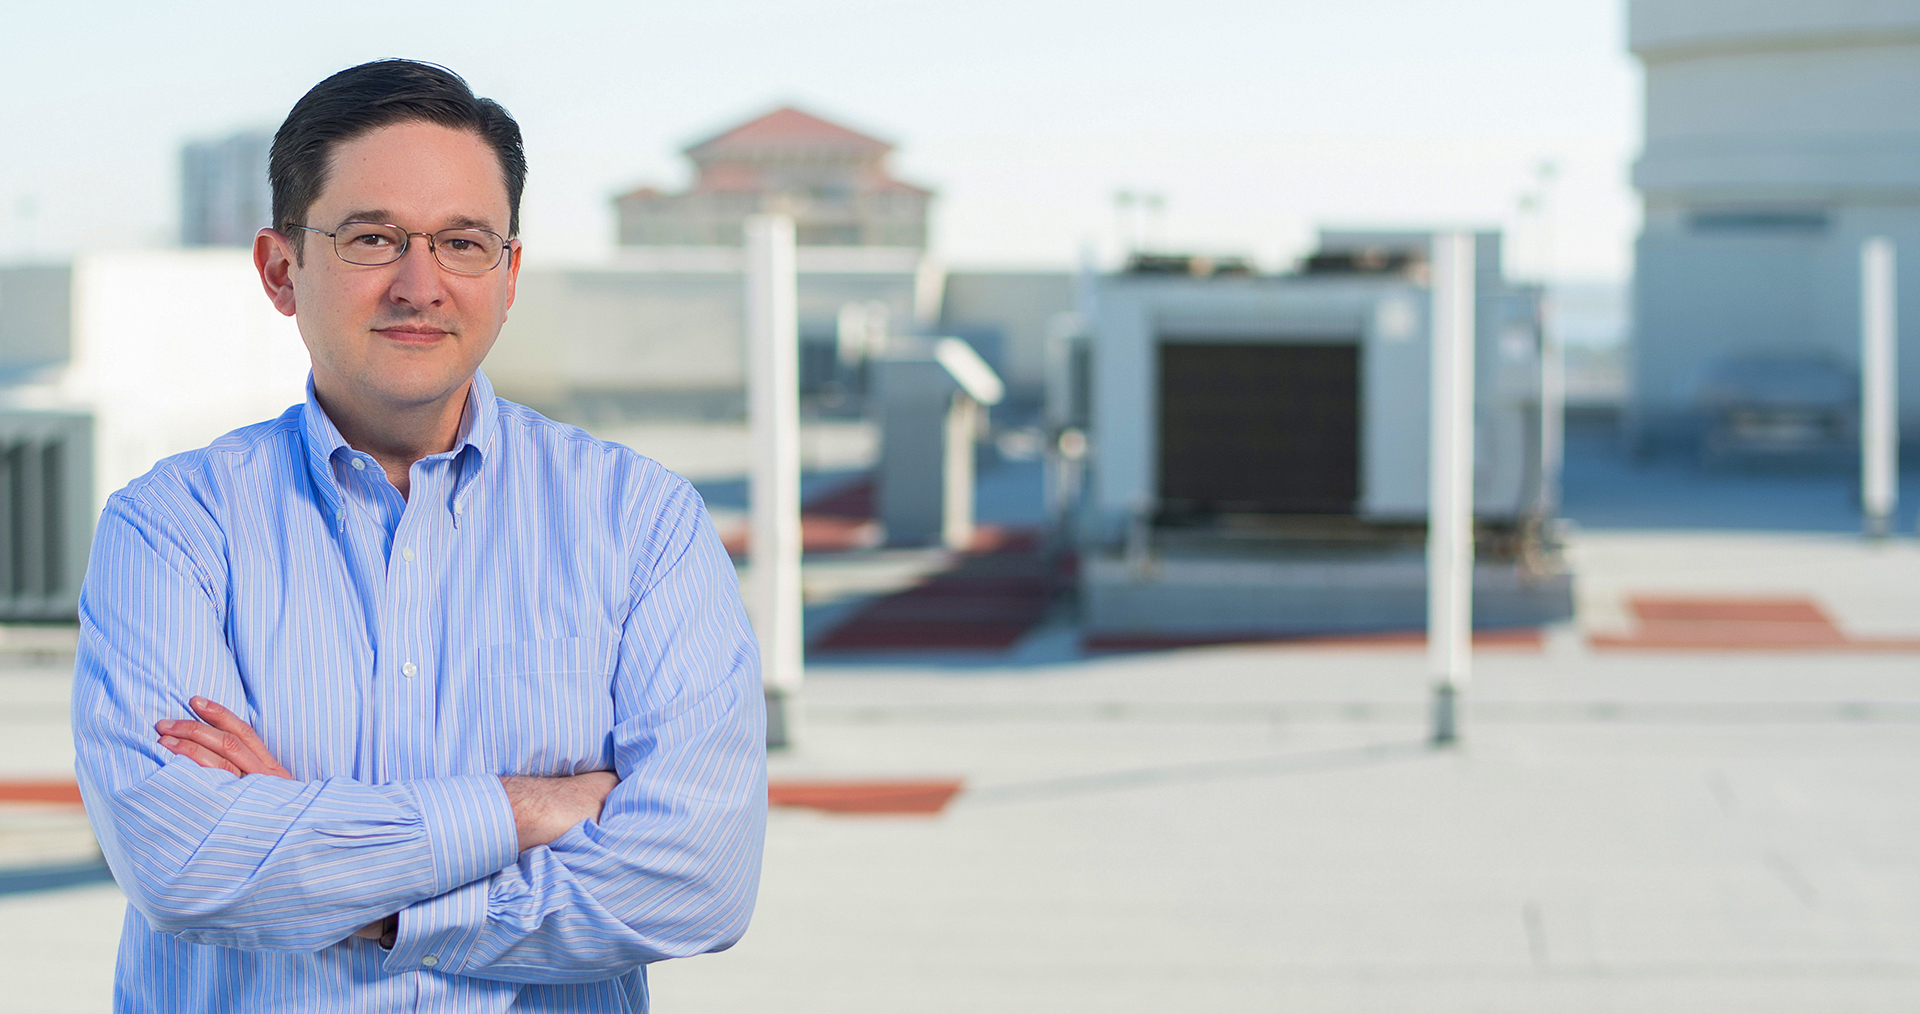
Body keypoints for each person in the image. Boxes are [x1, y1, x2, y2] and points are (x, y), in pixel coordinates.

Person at [70, 59, 766, 1012]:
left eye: (462, 243)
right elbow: (185, 861)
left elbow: (697, 881)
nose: (420, 284)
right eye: (373, 238)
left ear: (508, 276)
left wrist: (352, 888)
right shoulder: (172, 528)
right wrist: (524, 808)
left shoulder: (641, 524)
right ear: (280, 269)